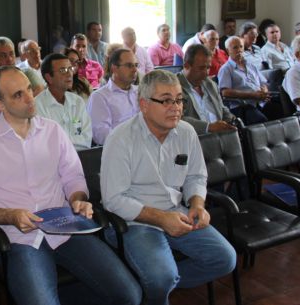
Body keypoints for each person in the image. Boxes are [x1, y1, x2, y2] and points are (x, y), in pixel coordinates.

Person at [0, 66, 142, 305]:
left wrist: (77, 199)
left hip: (65, 227)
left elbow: (73, 177)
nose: (30, 98)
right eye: (18, 95)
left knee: (130, 295)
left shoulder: (52, 130)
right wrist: (8, 215)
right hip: (21, 237)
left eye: (29, 89)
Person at [101, 70, 236, 305]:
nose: (175, 108)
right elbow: (114, 200)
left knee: (225, 259)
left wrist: (197, 204)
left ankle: (151, 286)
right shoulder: (120, 139)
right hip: (134, 221)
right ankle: (158, 284)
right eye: (166, 101)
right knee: (162, 277)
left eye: (179, 100)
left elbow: (196, 176)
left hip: (176, 212)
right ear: (144, 105)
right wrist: (162, 219)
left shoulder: (186, 131)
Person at [36, 53, 92, 149]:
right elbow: (46, 144)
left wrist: (61, 141)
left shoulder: (77, 101)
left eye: (70, 68)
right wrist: (75, 141)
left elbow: (87, 139)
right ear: (49, 77)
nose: (69, 74)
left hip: (81, 156)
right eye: (63, 70)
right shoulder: (38, 105)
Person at [178, 44, 237, 134]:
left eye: (208, 68)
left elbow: (222, 109)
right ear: (186, 66)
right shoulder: (174, 87)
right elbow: (178, 119)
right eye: (201, 68)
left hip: (221, 136)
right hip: (196, 138)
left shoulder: (210, 84)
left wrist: (232, 121)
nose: (206, 73)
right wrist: (208, 127)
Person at [87, 48, 140, 145]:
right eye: (129, 65)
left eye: (136, 65)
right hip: (119, 149)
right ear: (114, 68)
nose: (135, 70)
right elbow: (101, 135)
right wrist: (132, 141)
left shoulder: (141, 92)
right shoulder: (100, 97)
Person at [218, 36, 271, 125]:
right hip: (242, 106)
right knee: (262, 121)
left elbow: (263, 82)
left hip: (260, 102)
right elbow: (225, 92)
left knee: (280, 112)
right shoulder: (226, 69)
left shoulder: (251, 65)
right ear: (228, 50)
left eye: (241, 47)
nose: (239, 50)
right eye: (235, 47)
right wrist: (252, 95)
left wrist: (264, 91)